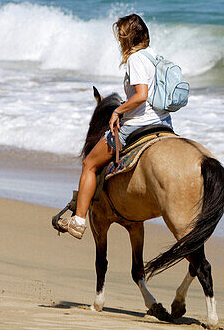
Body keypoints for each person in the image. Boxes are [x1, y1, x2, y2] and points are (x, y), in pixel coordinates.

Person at [59, 13, 173, 239]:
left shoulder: (136, 59)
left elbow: (141, 96)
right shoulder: (156, 57)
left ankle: (79, 221)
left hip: (140, 123)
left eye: (120, 36)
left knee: (90, 164)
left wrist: (118, 111)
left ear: (127, 38)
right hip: (164, 123)